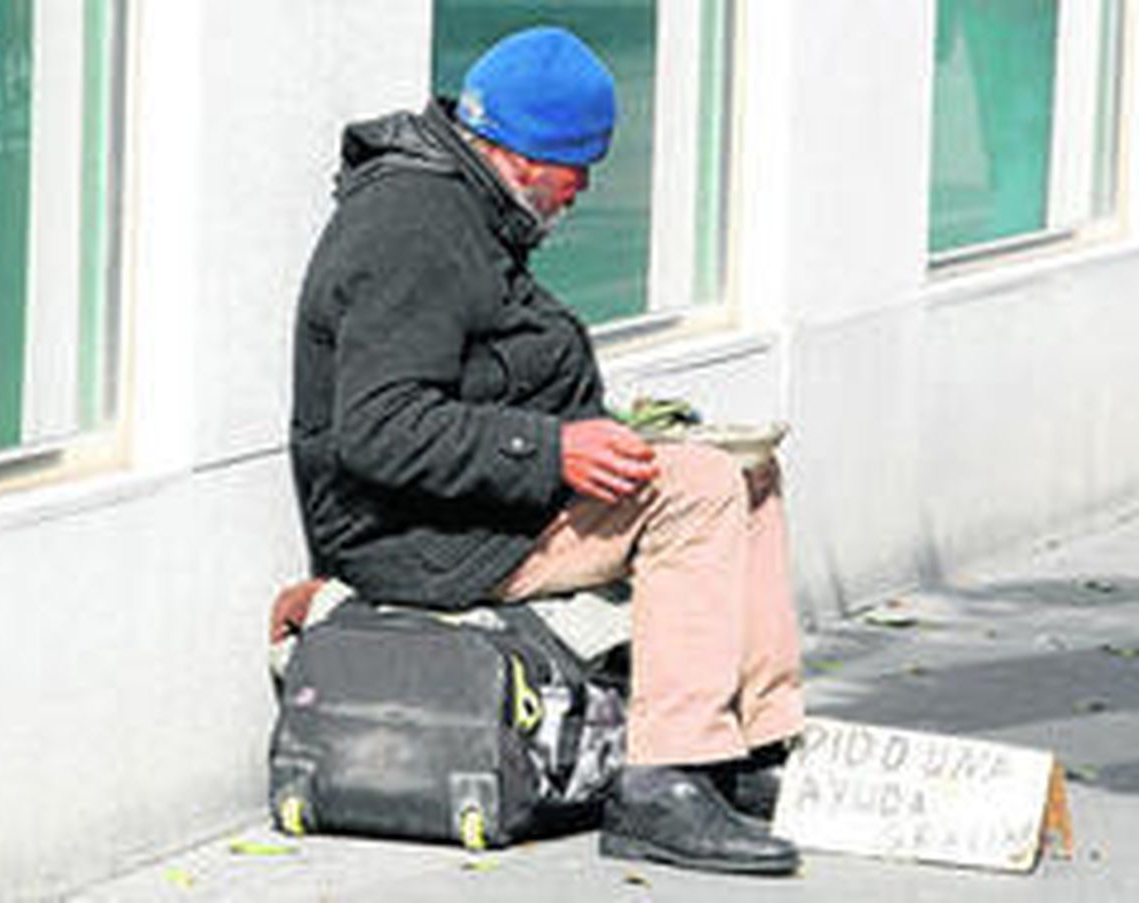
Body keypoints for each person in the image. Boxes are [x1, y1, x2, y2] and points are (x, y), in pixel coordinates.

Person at [287, 26, 806, 876]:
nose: (585, 188)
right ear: (527, 154)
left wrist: (599, 434)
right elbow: (377, 428)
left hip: (486, 500)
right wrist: (553, 449)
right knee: (700, 488)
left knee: (748, 474)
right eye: (579, 167)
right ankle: (665, 776)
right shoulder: (411, 226)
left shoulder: (471, 205)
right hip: (417, 536)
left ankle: (752, 746)